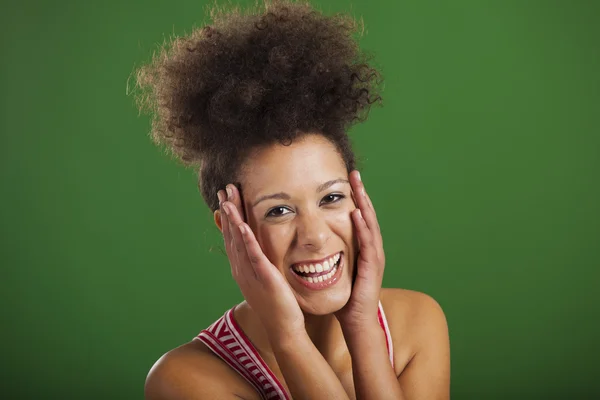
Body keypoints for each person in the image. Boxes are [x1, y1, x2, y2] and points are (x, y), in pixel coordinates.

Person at [134, 1, 450, 398]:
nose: (315, 236)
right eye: (279, 210)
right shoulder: (184, 379)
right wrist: (289, 338)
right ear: (232, 226)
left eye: (332, 197)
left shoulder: (417, 324)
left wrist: (363, 327)